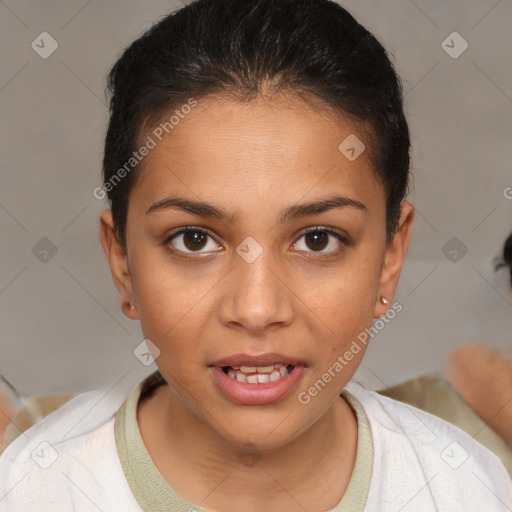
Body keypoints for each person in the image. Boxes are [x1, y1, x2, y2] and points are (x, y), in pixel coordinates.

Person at [0, 0, 511, 510]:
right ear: (122, 263)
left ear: (391, 257)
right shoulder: (31, 491)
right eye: (194, 240)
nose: (257, 309)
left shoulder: (466, 490)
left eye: (317, 239)